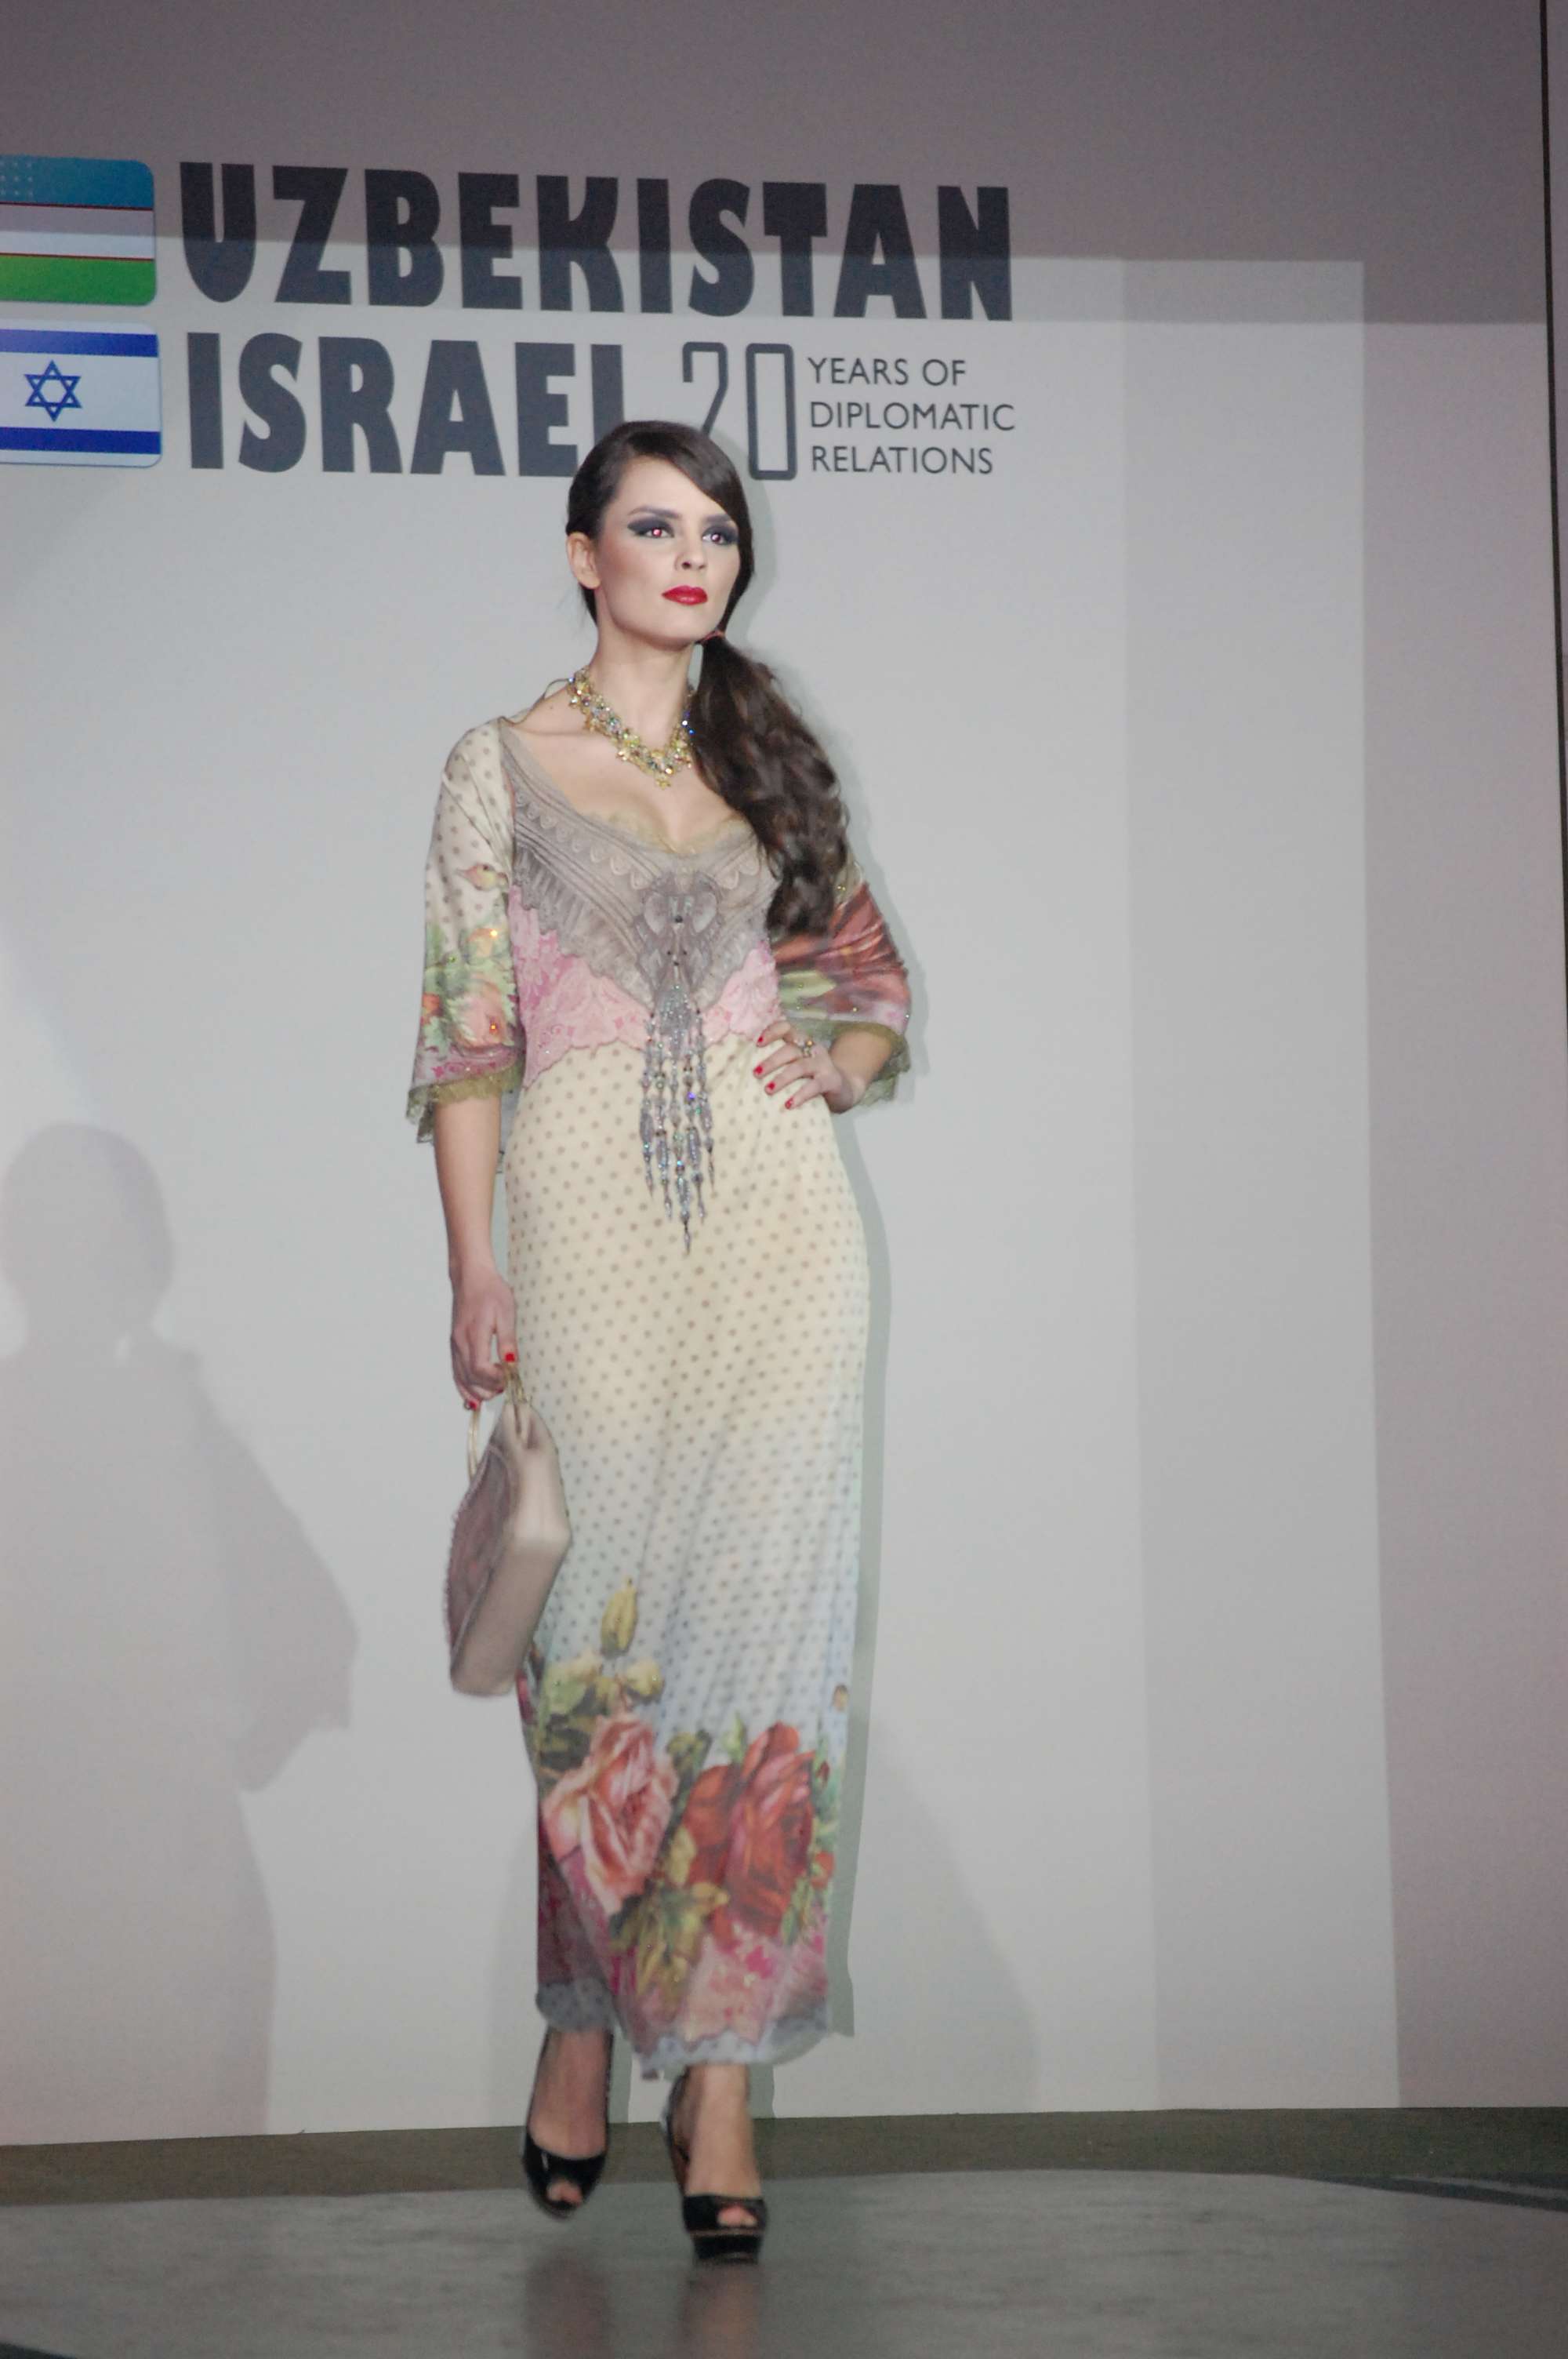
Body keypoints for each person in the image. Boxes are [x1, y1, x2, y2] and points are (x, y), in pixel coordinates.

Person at [407, 420, 913, 2263]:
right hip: (586, 1236)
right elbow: (467, 1032)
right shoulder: (499, 765)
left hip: (783, 1245)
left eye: (718, 530)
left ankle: (714, 2081)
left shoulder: (764, 752)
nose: (694, 555)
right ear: (582, 556)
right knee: (602, 1665)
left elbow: (870, 987)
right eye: (654, 525)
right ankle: (582, 2016)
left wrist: (833, 1065)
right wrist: (475, 1265)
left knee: (760, 1664)